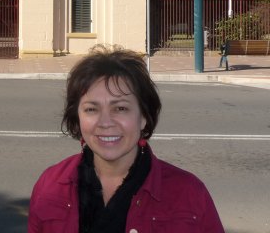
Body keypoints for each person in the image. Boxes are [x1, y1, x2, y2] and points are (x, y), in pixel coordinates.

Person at [28, 46, 224, 233]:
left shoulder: (188, 193)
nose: (105, 122)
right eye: (91, 109)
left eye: (120, 108)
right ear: (77, 118)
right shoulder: (50, 185)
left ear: (143, 116)